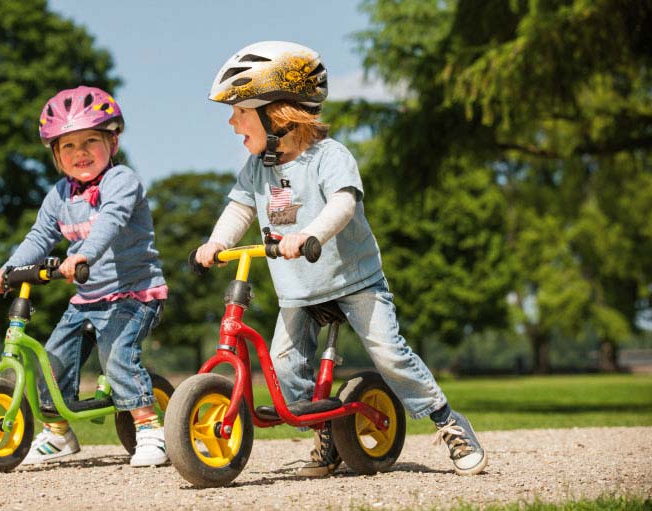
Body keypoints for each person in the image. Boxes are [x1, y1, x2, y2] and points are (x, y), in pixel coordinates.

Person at [195, 41, 487, 477]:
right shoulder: (256, 167)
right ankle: (325, 429)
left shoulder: (329, 156)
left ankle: (447, 421)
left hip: (356, 281)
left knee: (389, 354)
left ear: (278, 111)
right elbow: (240, 208)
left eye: (240, 110)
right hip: (297, 290)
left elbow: (343, 204)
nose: (232, 121)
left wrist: (309, 233)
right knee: (284, 371)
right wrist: (216, 242)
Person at [0, 86, 167, 467]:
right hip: (87, 298)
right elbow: (39, 237)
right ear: (55, 154)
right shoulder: (59, 195)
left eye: (90, 141)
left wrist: (82, 254)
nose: (79, 153)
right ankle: (58, 433)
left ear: (112, 141)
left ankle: (149, 428)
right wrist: (7, 270)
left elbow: (111, 221)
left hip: (134, 294)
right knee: (53, 360)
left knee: (117, 355)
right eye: (67, 146)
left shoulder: (122, 182)